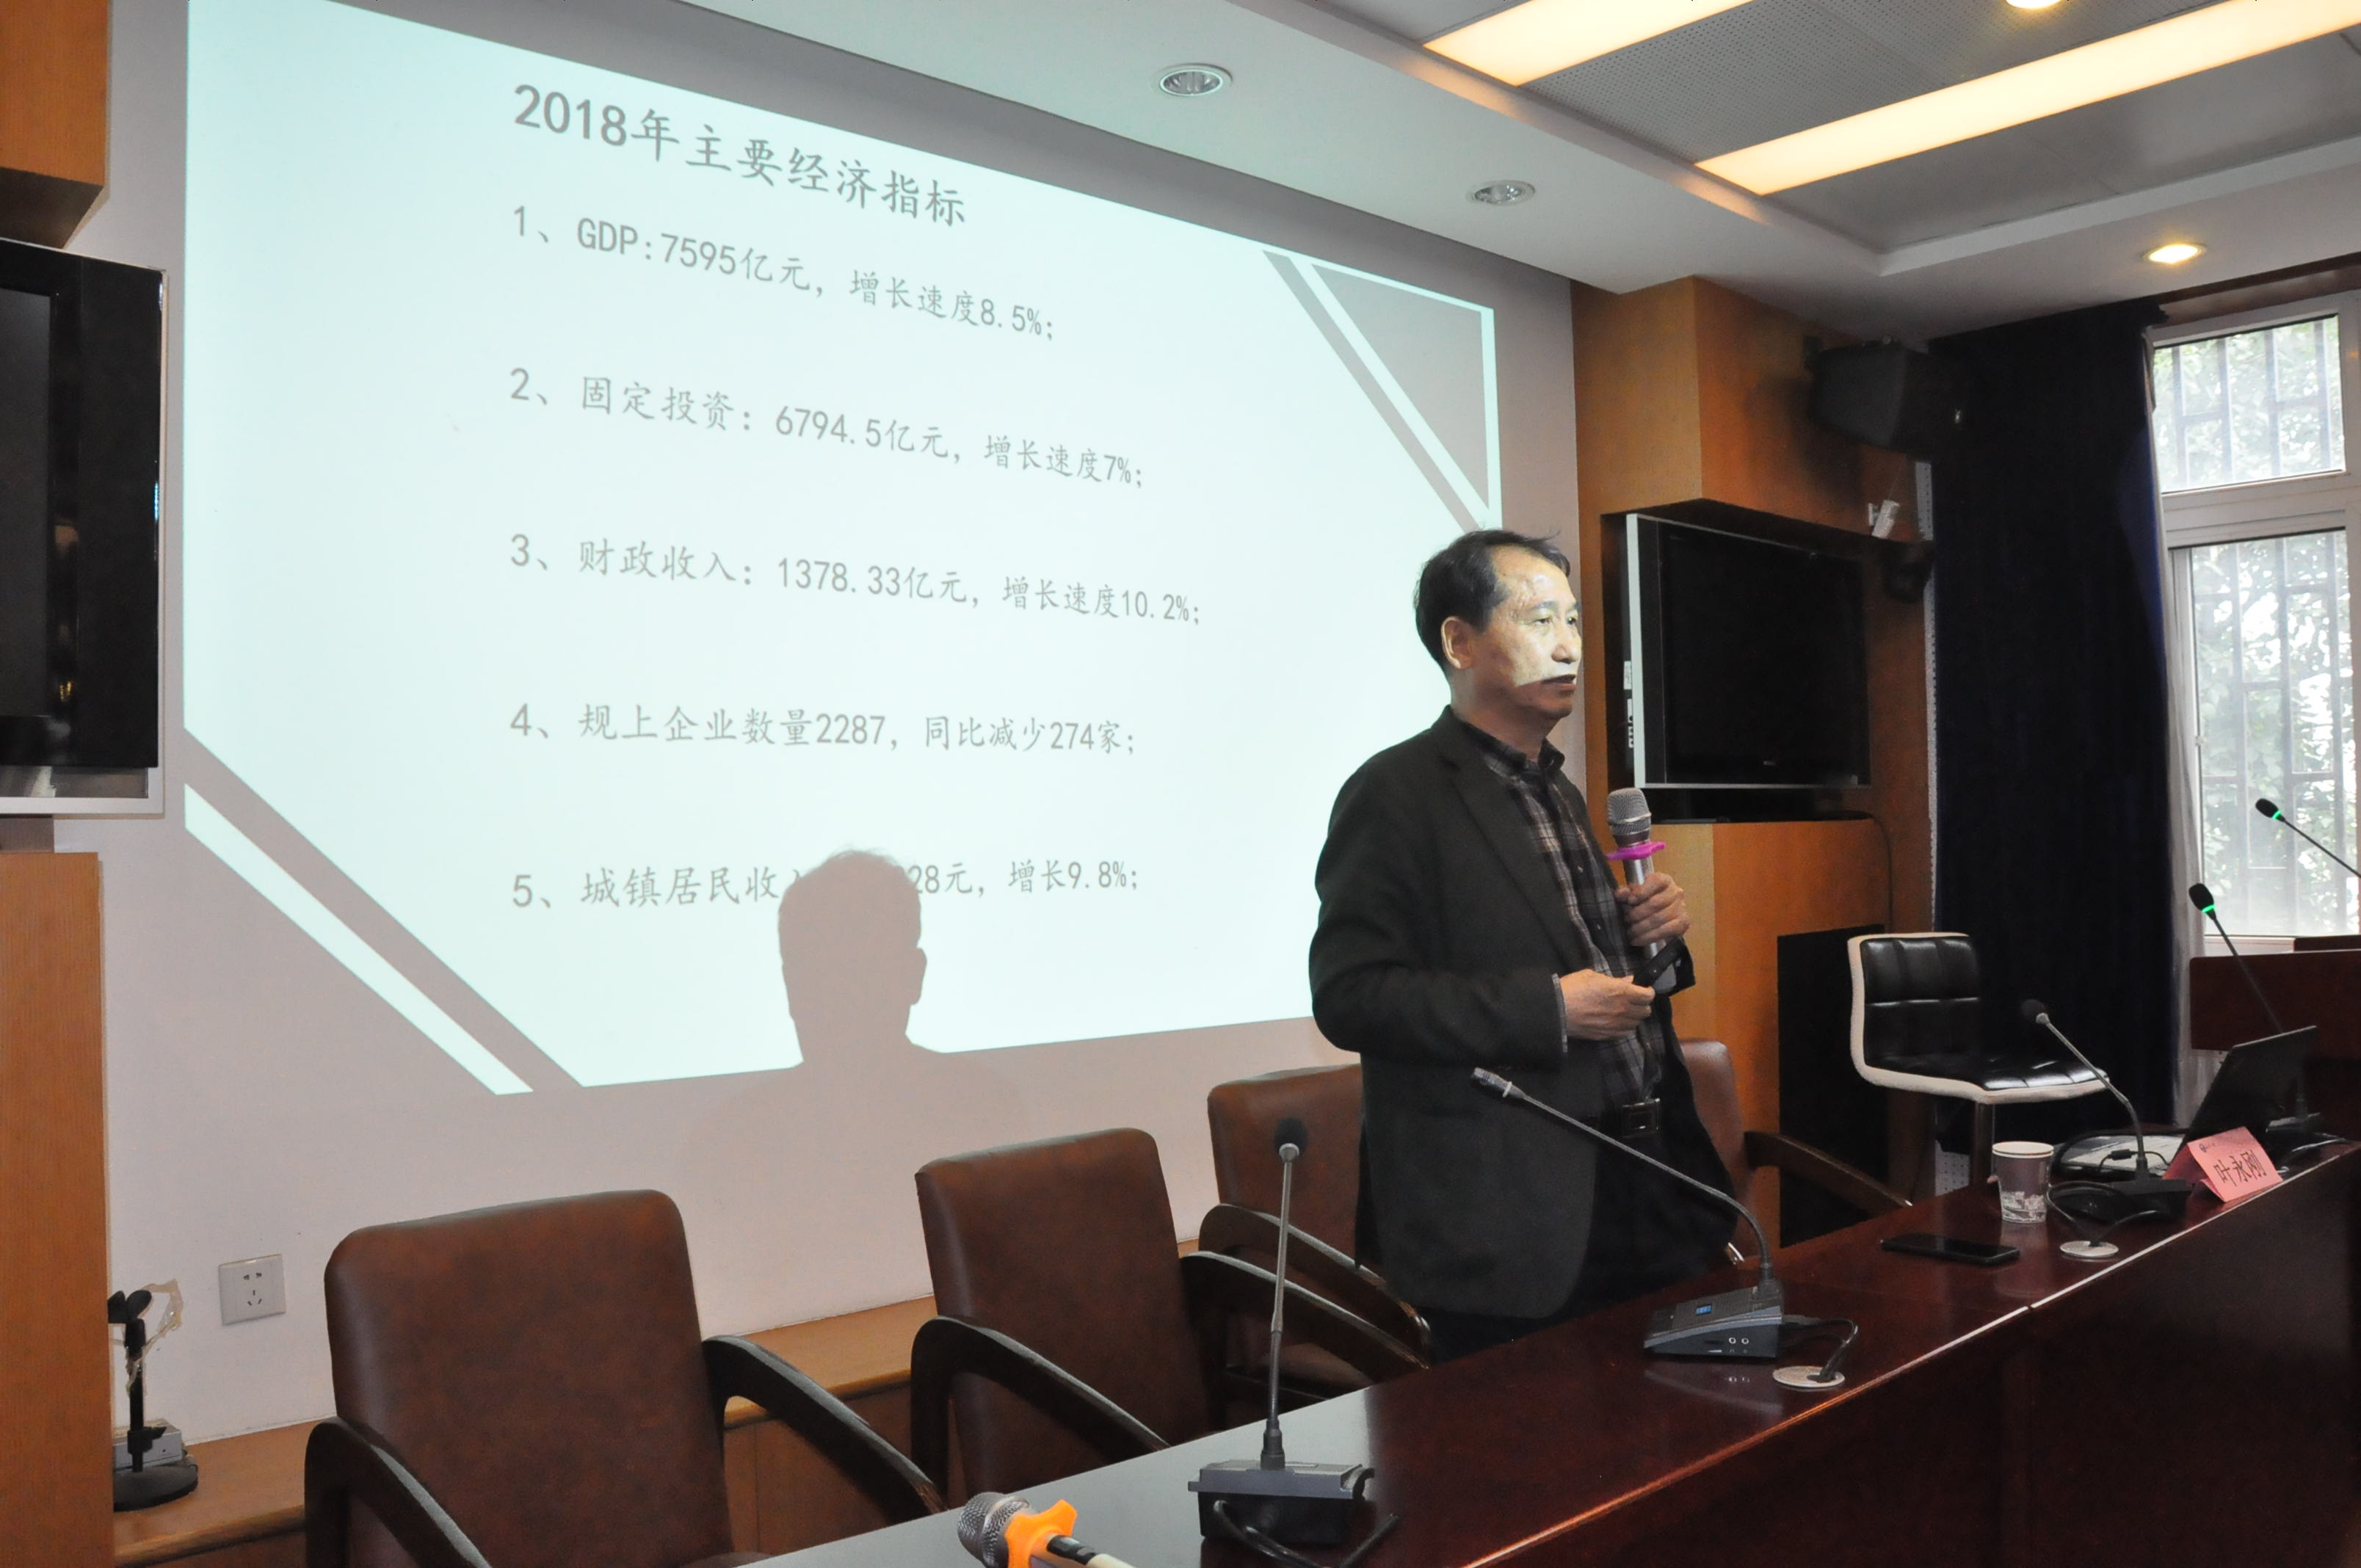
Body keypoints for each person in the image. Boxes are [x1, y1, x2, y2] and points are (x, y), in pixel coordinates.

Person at [1310, 529, 1735, 1362]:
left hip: (1647, 1176)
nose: (1569, 645)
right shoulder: (1394, 793)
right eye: (1539, 620)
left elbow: (1593, 970)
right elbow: (1351, 994)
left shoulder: (1560, 791)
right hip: (1513, 1213)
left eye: (1572, 620)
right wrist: (1549, 1010)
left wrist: (1653, 942)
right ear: (1459, 641)